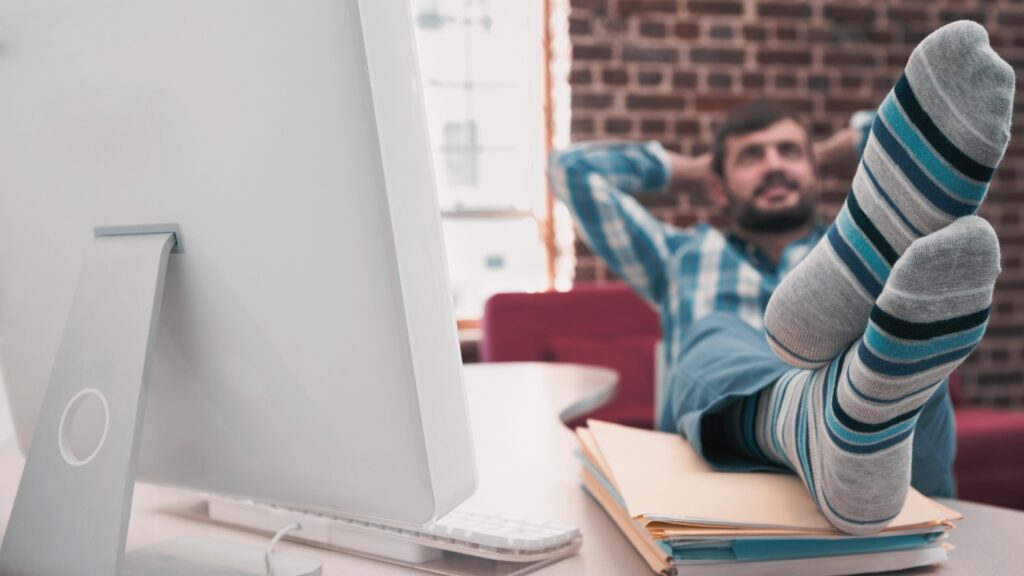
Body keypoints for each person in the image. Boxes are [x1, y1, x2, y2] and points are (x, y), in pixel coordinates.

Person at [549, 21, 1013, 535]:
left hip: (884, 473)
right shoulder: (678, 255)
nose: (774, 165)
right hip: (721, 460)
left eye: (790, 152)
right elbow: (571, 170)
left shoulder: (881, 255)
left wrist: (829, 150)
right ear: (718, 189)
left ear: (816, 173)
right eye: (751, 156)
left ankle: (846, 411)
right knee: (717, 332)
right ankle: (820, 415)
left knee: (913, 314)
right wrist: (687, 167)